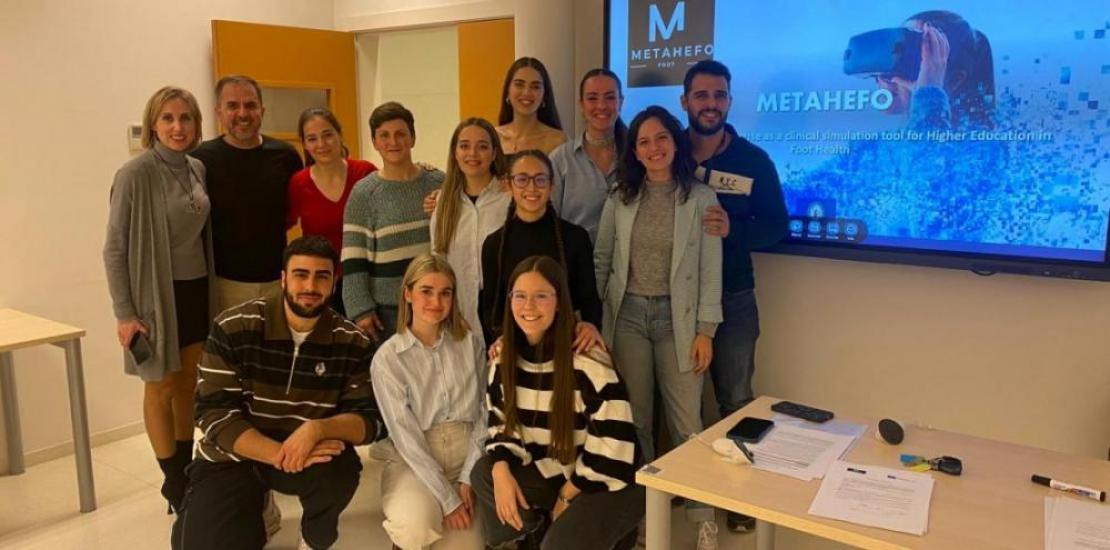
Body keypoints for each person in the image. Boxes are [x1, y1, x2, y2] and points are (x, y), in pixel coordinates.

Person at [171, 236, 386, 550]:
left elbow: (370, 422)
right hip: (234, 456)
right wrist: (277, 454)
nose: (310, 286)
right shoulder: (233, 326)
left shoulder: (352, 342)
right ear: (283, 278)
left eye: (321, 276)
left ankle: (314, 537)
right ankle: (254, 515)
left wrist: (318, 428)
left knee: (340, 470)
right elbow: (212, 412)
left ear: (334, 282)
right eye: (300, 274)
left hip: (309, 453)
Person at [594, 105, 723, 548]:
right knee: (638, 421)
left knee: (688, 419)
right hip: (627, 316)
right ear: (635, 149)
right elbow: (602, 260)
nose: (653, 148)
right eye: (643, 141)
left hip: (679, 320)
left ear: (675, 141)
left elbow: (710, 270)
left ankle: (701, 514)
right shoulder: (621, 196)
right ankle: (647, 511)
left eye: (661, 138)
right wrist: (595, 324)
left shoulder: (701, 198)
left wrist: (706, 329)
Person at [680, 60, 788, 534]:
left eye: (718, 95)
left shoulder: (754, 160)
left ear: (728, 101)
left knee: (736, 400)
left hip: (734, 297)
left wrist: (734, 229)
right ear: (685, 102)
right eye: (701, 95)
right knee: (680, 402)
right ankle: (686, 492)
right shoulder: (668, 152)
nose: (710, 104)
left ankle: (740, 501)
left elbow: (777, 226)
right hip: (676, 300)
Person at [471, 255, 643, 550]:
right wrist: (501, 471)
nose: (528, 307)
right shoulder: (503, 359)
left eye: (541, 296)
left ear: (560, 302)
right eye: (520, 296)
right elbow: (500, 426)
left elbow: (614, 450)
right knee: (485, 472)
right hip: (555, 470)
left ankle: (606, 534)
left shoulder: (588, 360)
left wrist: (566, 496)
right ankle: (530, 535)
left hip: (608, 482)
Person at [103, 85, 213, 514]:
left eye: (185, 118)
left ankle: (186, 471)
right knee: (160, 386)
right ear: (153, 124)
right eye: (167, 118)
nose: (177, 127)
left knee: (189, 383)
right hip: (154, 296)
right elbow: (114, 248)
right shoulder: (134, 174)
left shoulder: (197, 169)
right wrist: (125, 313)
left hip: (195, 290)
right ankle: (172, 483)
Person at [372, 254, 487, 550]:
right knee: (415, 527)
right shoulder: (388, 358)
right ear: (408, 294)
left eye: (445, 293)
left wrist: (469, 477)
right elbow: (406, 438)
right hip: (416, 458)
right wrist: (448, 500)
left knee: (469, 543)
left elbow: (484, 411)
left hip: (468, 452)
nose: (436, 302)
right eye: (426, 291)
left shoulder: (470, 343)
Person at [191, 74, 304, 311]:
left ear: (262, 110)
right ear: (218, 112)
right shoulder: (200, 160)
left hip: (278, 281)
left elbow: (293, 214)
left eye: (250, 105)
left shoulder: (286, 156)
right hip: (224, 285)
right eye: (232, 106)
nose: (243, 113)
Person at [478, 150, 602, 352]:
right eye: (522, 179)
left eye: (540, 179)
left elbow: (589, 300)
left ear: (552, 185)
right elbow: (491, 310)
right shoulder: (494, 245)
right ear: (509, 185)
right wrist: (502, 342)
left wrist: (590, 326)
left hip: (568, 345)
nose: (532, 187)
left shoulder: (575, 237)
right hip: (515, 349)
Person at [342, 101, 445, 341]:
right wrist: (360, 309)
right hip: (389, 310)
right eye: (384, 136)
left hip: (437, 302)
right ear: (375, 142)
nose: (393, 142)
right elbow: (353, 258)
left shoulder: (438, 182)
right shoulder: (363, 194)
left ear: (413, 138)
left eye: (401, 134)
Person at [287, 108, 377, 316]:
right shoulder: (298, 183)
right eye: (312, 138)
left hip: (366, 279)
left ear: (339, 135)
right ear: (304, 144)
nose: (321, 144)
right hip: (320, 284)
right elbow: (283, 224)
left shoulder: (365, 173)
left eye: (328, 135)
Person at [430, 118, 511, 343]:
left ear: (495, 153)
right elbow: (440, 261)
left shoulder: (509, 198)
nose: (472, 153)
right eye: (464, 145)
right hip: (460, 309)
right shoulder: (443, 203)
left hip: (503, 309)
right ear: (455, 153)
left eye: (482, 146)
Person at [872, 10, 995, 130]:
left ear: (954, 80)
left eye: (910, 60)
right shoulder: (890, 141)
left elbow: (927, 149)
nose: (885, 75)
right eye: (898, 52)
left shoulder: (981, 141)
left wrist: (928, 94)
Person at [549, 68, 626, 243]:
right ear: (581, 105)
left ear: (621, 102)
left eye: (610, 97)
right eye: (592, 98)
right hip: (575, 265)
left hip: (627, 266)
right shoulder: (560, 160)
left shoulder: (638, 156)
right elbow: (550, 223)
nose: (601, 106)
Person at [496, 57, 567, 155]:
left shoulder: (557, 141)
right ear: (508, 91)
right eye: (519, 85)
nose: (526, 92)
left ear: (544, 94)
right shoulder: (493, 138)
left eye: (535, 87)